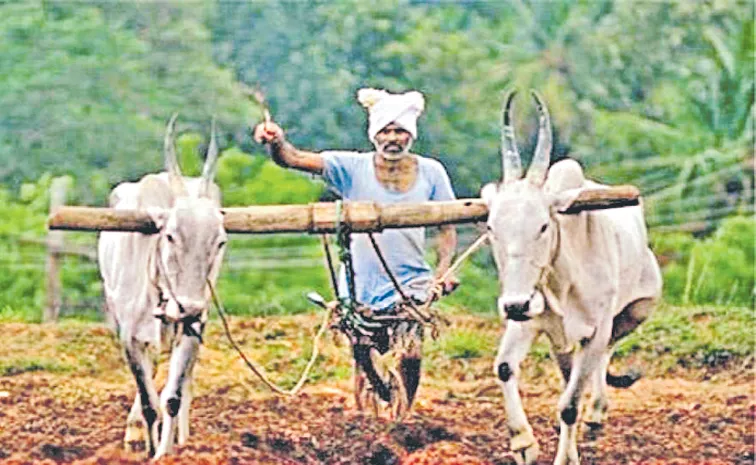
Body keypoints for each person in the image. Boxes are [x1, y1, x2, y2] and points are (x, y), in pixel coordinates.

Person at [253, 88, 458, 415]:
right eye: (386, 131)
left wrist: (444, 269)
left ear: (411, 135)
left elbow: (448, 225)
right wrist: (277, 142)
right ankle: (367, 413)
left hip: (412, 282)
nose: (393, 138)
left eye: (400, 131)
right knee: (363, 352)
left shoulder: (431, 172)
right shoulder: (350, 167)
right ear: (374, 135)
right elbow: (292, 159)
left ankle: (402, 414)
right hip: (360, 283)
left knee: (411, 352)